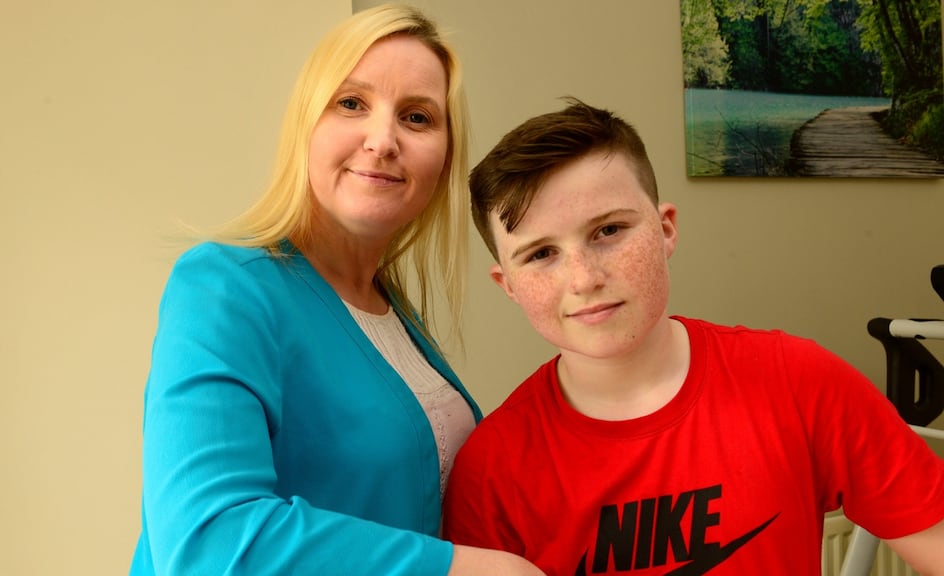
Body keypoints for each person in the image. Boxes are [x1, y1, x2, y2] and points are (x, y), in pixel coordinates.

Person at [441, 98, 944, 575]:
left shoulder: (798, 381)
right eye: (540, 254)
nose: (584, 279)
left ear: (665, 230)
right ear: (507, 285)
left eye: (609, 231)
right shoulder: (491, 470)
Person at [129, 5, 544, 576]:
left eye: (417, 117)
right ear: (307, 125)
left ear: (445, 158)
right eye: (351, 103)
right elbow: (208, 544)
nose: (383, 140)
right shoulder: (223, 287)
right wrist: (472, 569)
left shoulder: (390, 310)